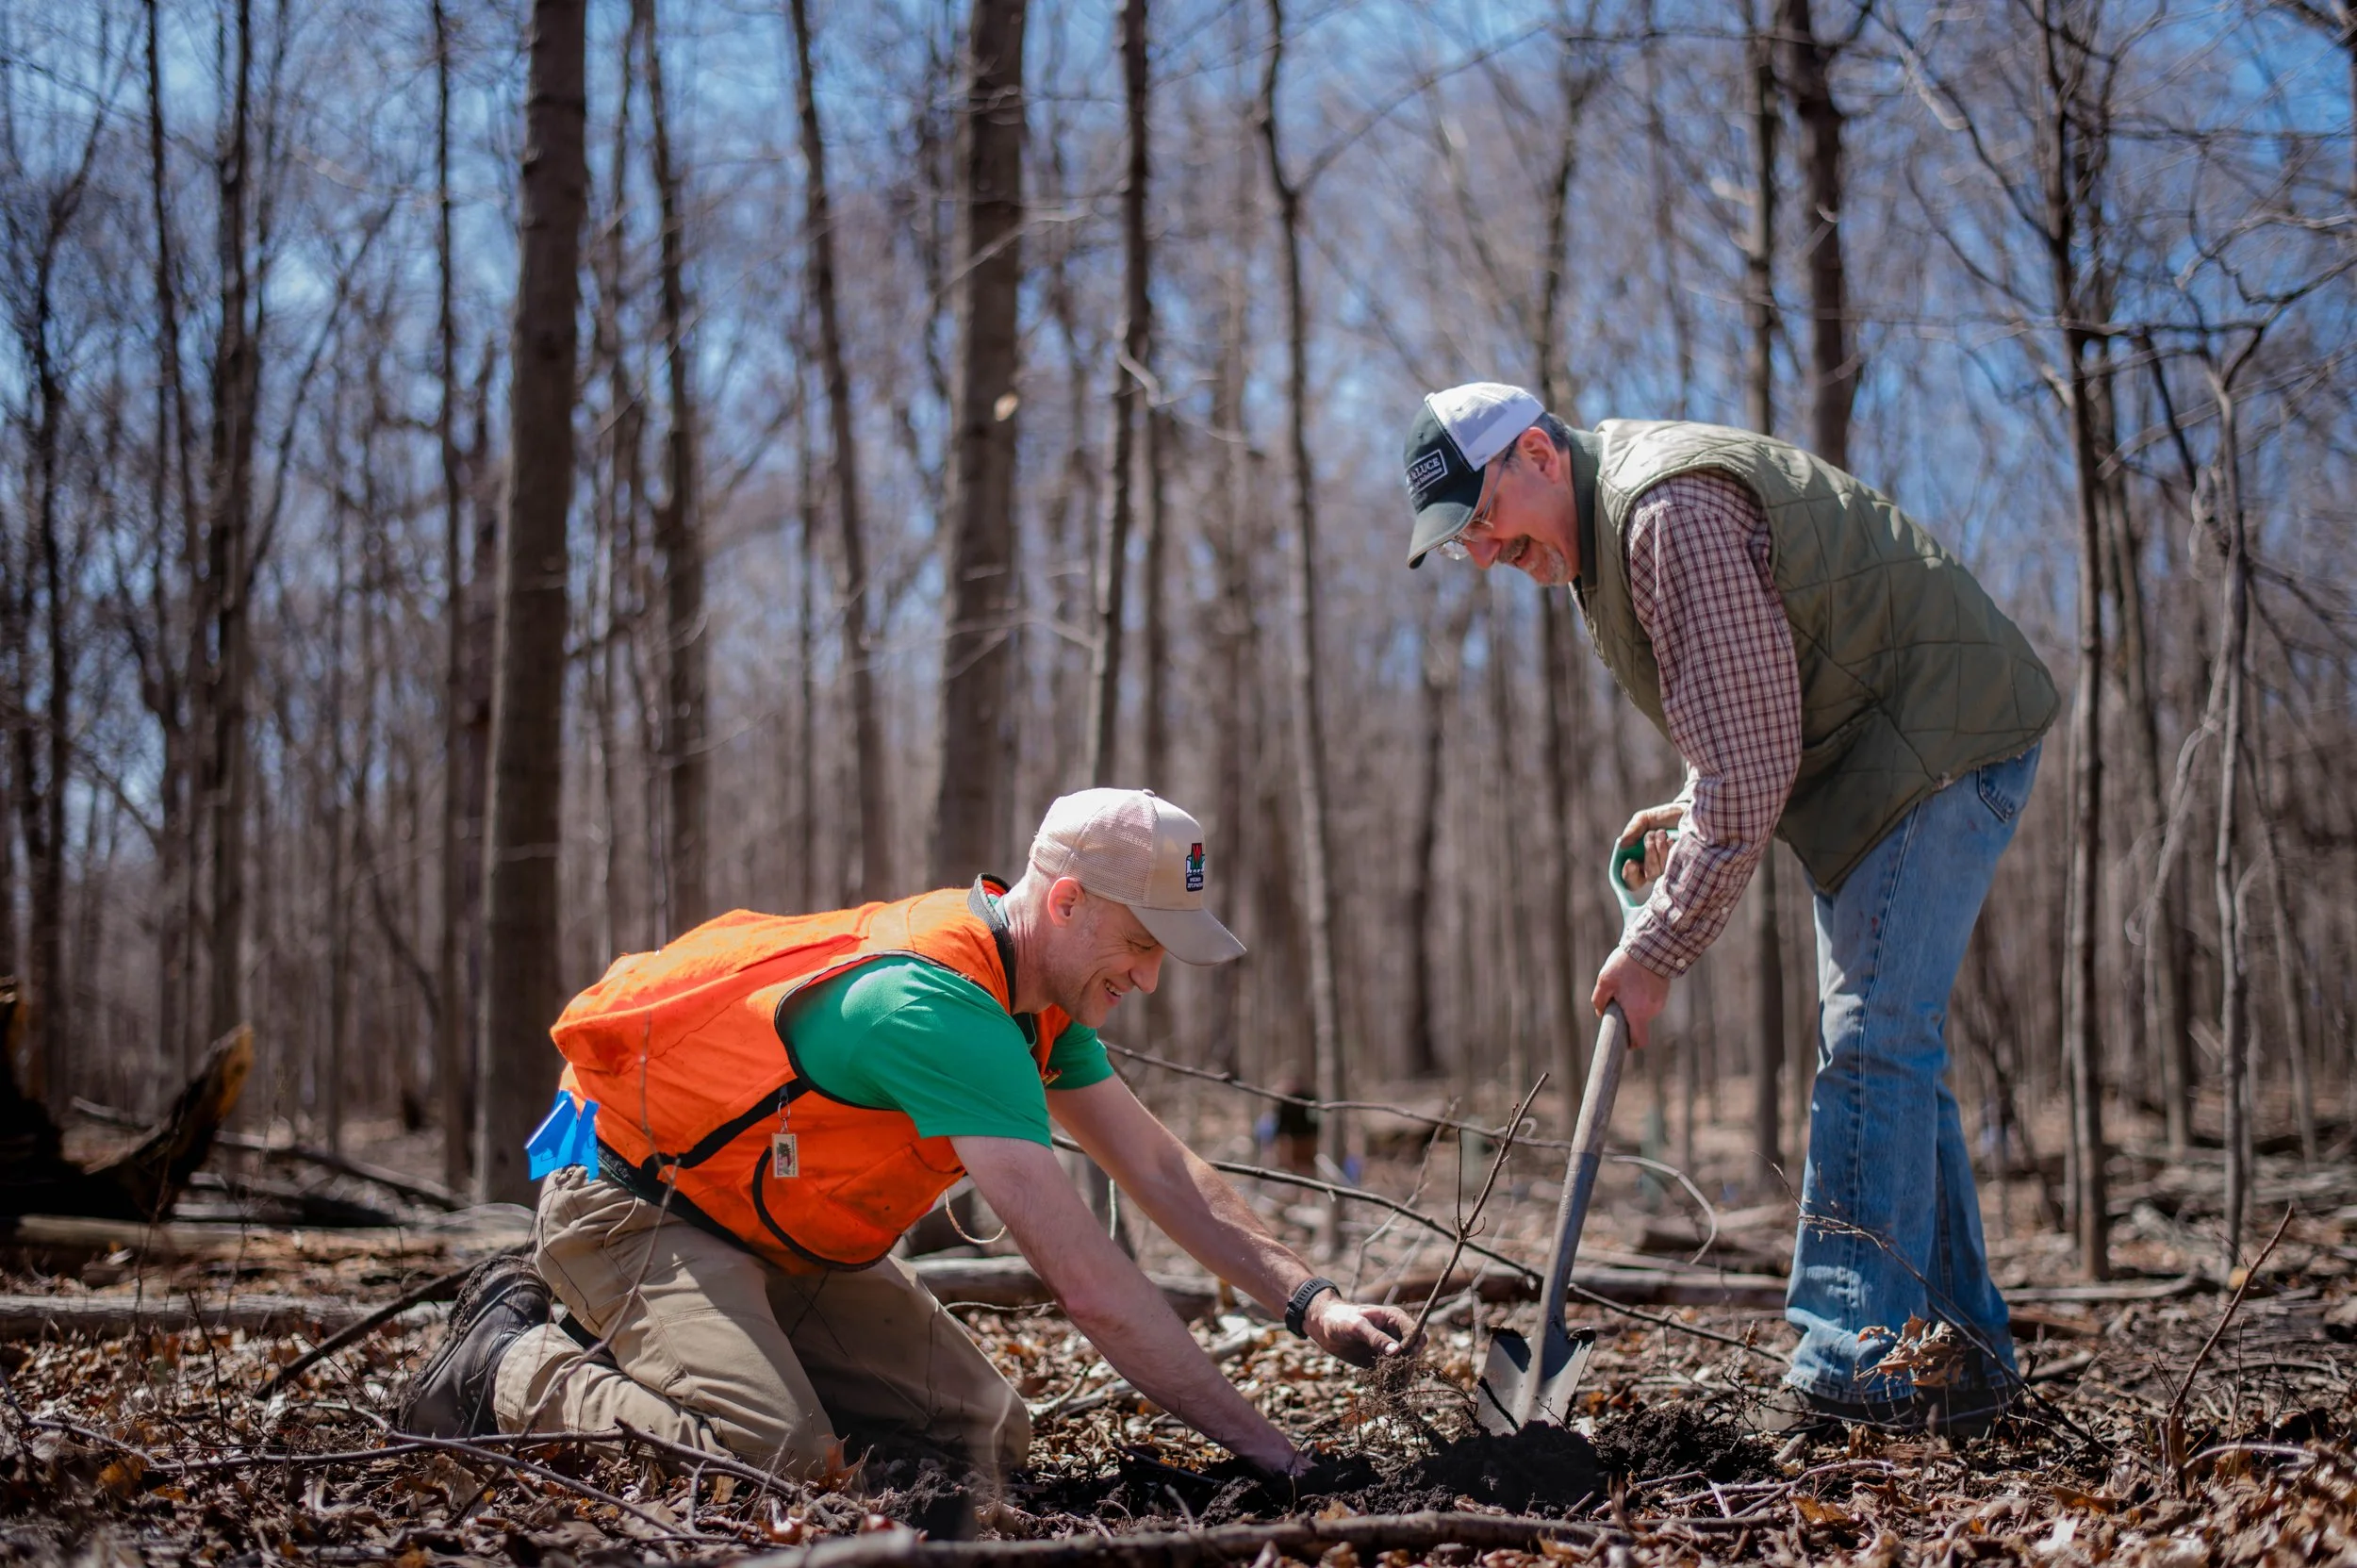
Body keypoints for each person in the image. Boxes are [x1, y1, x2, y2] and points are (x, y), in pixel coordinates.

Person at [399, 788, 1415, 1478]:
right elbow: (1090, 1284)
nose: (1148, 979)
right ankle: (508, 1363)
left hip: (784, 1238)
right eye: (1140, 945)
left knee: (985, 1434)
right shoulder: (937, 1008)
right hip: (635, 1206)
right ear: (1063, 901)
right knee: (778, 1464)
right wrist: (1276, 1456)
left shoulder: (1041, 998)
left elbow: (1155, 1164)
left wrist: (1310, 1301)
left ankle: (715, 1356)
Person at [1399, 383, 2057, 1438]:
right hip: (1874, 762)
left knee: (1873, 1041)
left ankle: (1851, 1362)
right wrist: (1692, 803)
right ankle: (1961, 1355)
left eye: (1480, 520)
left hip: (1933, 741)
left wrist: (1658, 944)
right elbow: (1742, 729)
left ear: (1534, 453)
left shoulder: (1665, 515)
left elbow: (1749, 774)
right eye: (1460, 540)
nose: (1480, 554)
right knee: (1895, 1050)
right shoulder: (1604, 535)